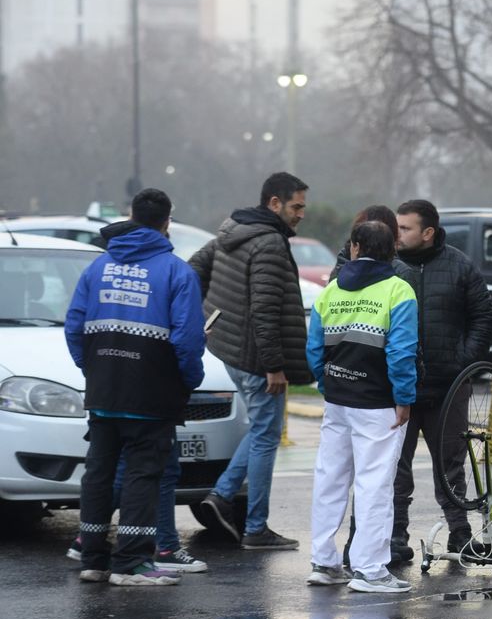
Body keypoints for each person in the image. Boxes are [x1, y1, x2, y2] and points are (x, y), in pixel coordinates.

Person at [64, 188, 205, 586]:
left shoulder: (98, 267)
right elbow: (188, 340)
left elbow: (74, 326)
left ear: (131, 216)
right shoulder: (177, 272)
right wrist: (186, 381)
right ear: (167, 222)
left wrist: (93, 368)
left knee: (99, 472)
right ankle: (131, 563)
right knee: (144, 475)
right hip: (152, 392)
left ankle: (93, 560)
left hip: (104, 390)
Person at [190, 171, 312, 550]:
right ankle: (255, 526)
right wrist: (274, 365)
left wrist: (208, 316)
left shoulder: (232, 230)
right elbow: (264, 309)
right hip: (258, 359)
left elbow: (193, 268)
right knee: (265, 436)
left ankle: (221, 496)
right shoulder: (270, 244)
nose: (301, 214)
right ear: (274, 203)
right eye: (296, 206)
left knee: (262, 430)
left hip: (228, 350)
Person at [305, 220, 419, 593]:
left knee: (330, 479)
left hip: (338, 400)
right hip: (378, 404)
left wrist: (328, 384)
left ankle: (324, 562)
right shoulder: (398, 291)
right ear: (392, 251)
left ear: (354, 247)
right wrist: (404, 398)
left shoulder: (331, 290)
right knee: (375, 485)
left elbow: (314, 350)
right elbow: (401, 353)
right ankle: (370, 570)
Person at [391, 199, 492, 561]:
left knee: (451, 463)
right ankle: (395, 537)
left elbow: (483, 316)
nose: (397, 234)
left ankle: (460, 534)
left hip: (449, 388)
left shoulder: (460, 266)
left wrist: (462, 362)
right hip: (401, 389)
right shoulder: (389, 268)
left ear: (428, 232)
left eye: (405, 228)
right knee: (396, 467)